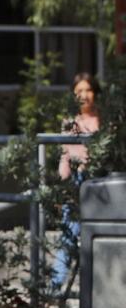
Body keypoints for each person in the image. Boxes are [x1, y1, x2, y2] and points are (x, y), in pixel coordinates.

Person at [54, 72, 101, 288]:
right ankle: (55, 286)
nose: (84, 95)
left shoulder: (104, 120)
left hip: (99, 183)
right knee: (69, 237)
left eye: (88, 90)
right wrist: (62, 187)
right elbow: (65, 157)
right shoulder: (69, 123)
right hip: (75, 182)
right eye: (79, 91)